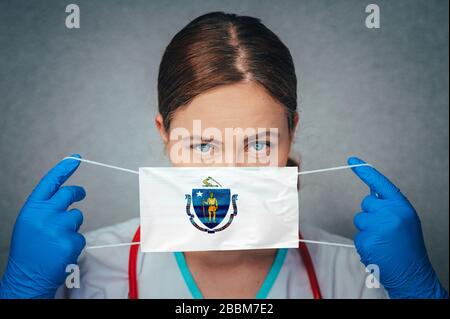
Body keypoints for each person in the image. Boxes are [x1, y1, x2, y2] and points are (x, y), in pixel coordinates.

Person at [0, 12, 447, 299]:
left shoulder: (356, 274)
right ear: (165, 135)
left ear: (292, 132)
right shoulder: (85, 270)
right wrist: (22, 293)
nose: (229, 171)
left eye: (258, 144)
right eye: (202, 143)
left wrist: (418, 292)